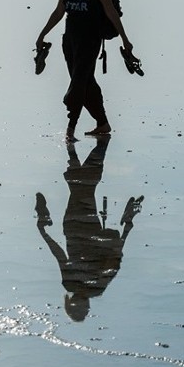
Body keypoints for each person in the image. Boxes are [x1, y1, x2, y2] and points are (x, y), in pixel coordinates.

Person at [34, 137, 144, 321]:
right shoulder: (97, 286)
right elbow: (115, 258)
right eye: (83, 308)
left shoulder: (71, 283)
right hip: (85, 229)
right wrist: (127, 227)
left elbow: (60, 255)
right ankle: (83, 149)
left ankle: (87, 148)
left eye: (77, 306)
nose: (81, 303)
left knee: (82, 188)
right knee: (82, 187)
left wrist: (44, 233)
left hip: (76, 227)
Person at [35, 0, 138, 141]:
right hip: (70, 41)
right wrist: (42, 34)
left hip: (90, 41)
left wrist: (125, 38)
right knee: (86, 82)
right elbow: (59, 12)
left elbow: (111, 13)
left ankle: (70, 128)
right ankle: (102, 123)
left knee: (78, 83)